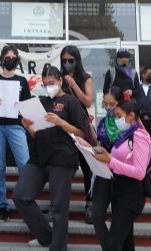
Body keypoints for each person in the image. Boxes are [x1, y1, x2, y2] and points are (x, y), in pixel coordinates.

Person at [13, 66, 87, 250]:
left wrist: (61, 122)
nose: (48, 87)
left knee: (59, 207)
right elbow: (37, 134)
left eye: (51, 83)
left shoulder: (71, 102)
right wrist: (27, 126)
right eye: (45, 84)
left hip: (62, 157)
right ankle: (46, 236)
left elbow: (81, 133)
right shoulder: (42, 101)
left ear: (60, 81)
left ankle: (58, 247)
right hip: (39, 156)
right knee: (20, 196)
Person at [92, 100, 151, 251]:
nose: (116, 120)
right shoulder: (124, 136)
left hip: (131, 192)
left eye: (119, 116)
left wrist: (111, 161)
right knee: (125, 243)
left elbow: (139, 172)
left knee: (114, 243)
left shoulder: (139, 136)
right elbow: (114, 162)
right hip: (118, 189)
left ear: (131, 115)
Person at [0, 44, 32, 223]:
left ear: (17, 61)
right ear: (2, 60)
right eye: (7, 58)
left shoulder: (22, 81)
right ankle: (2, 207)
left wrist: (21, 107)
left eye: (13, 58)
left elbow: (27, 105)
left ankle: (26, 204)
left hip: (16, 125)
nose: (10, 60)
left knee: (25, 166)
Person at [59, 45, 95, 224]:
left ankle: (90, 204)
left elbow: (88, 101)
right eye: (64, 60)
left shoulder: (85, 77)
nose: (67, 63)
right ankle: (57, 205)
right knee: (62, 167)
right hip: (63, 126)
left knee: (87, 167)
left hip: (81, 126)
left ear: (77, 60)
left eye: (70, 60)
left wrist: (73, 85)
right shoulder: (58, 77)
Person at [92, 86, 125, 249]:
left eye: (112, 104)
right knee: (96, 216)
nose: (108, 108)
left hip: (123, 175)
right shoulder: (102, 124)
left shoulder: (129, 123)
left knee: (121, 223)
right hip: (104, 173)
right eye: (105, 104)